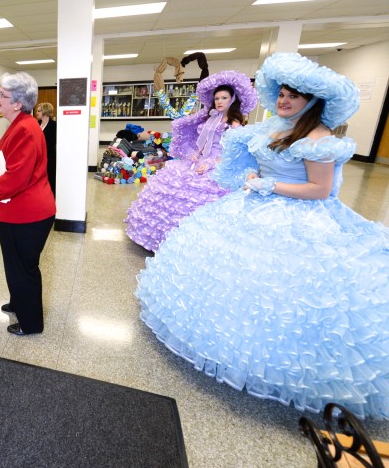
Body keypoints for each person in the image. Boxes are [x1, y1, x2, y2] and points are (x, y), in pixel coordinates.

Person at [136, 52, 389, 419]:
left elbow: (320, 189)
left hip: (299, 219)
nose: (285, 100)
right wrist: (250, 177)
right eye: (283, 93)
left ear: (314, 101)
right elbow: (242, 158)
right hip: (253, 203)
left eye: (294, 96)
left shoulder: (319, 139)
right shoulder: (270, 128)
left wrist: (272, 185)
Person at [124, 71, 258, 252]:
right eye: (217, 98)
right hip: (199, 160)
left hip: (218, 164)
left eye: (224, 98)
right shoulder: (211, 118)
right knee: (173, 186)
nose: (219, 101)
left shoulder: (234, 124)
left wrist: (211, 163)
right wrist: (196, 153)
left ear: (233, 99)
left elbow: (232, 152)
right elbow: (203, 142)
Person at [0, 72, 56, 336]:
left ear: (18, 104)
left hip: (26, 214)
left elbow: (16, 178)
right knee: (15, 265)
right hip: (19, 211)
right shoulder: (20, 123)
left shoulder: (24, 128)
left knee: (24, 269)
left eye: (3, 95)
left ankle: (31, 323)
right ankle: (19, 302)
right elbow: (6, 162)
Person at [36, 102, 57, 197]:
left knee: (50, 178)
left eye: (39, 111)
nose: (37, 112)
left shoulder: (54, 126)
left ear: (45, 111)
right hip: (37, 157)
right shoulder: (37, 124)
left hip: (50, 157)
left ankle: (51, 198)